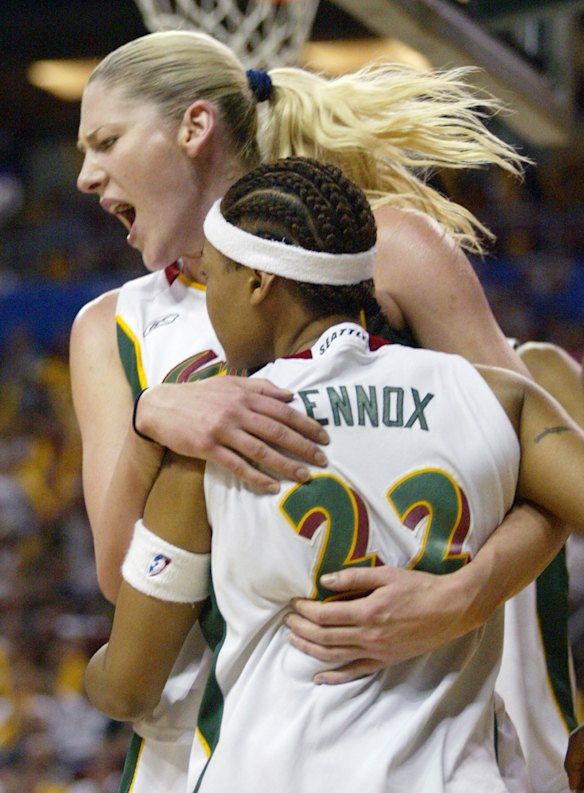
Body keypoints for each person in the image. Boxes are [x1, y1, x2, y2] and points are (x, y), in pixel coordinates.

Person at [71, 30, 569, 792]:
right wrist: (150, 422)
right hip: (208, 733)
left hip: (413, 716)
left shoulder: (386, 245)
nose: (83, 175)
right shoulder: (108, 325)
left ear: (195, 128)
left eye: (104, 141)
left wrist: (464, 597)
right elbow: (119, 574)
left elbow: (532, 478)